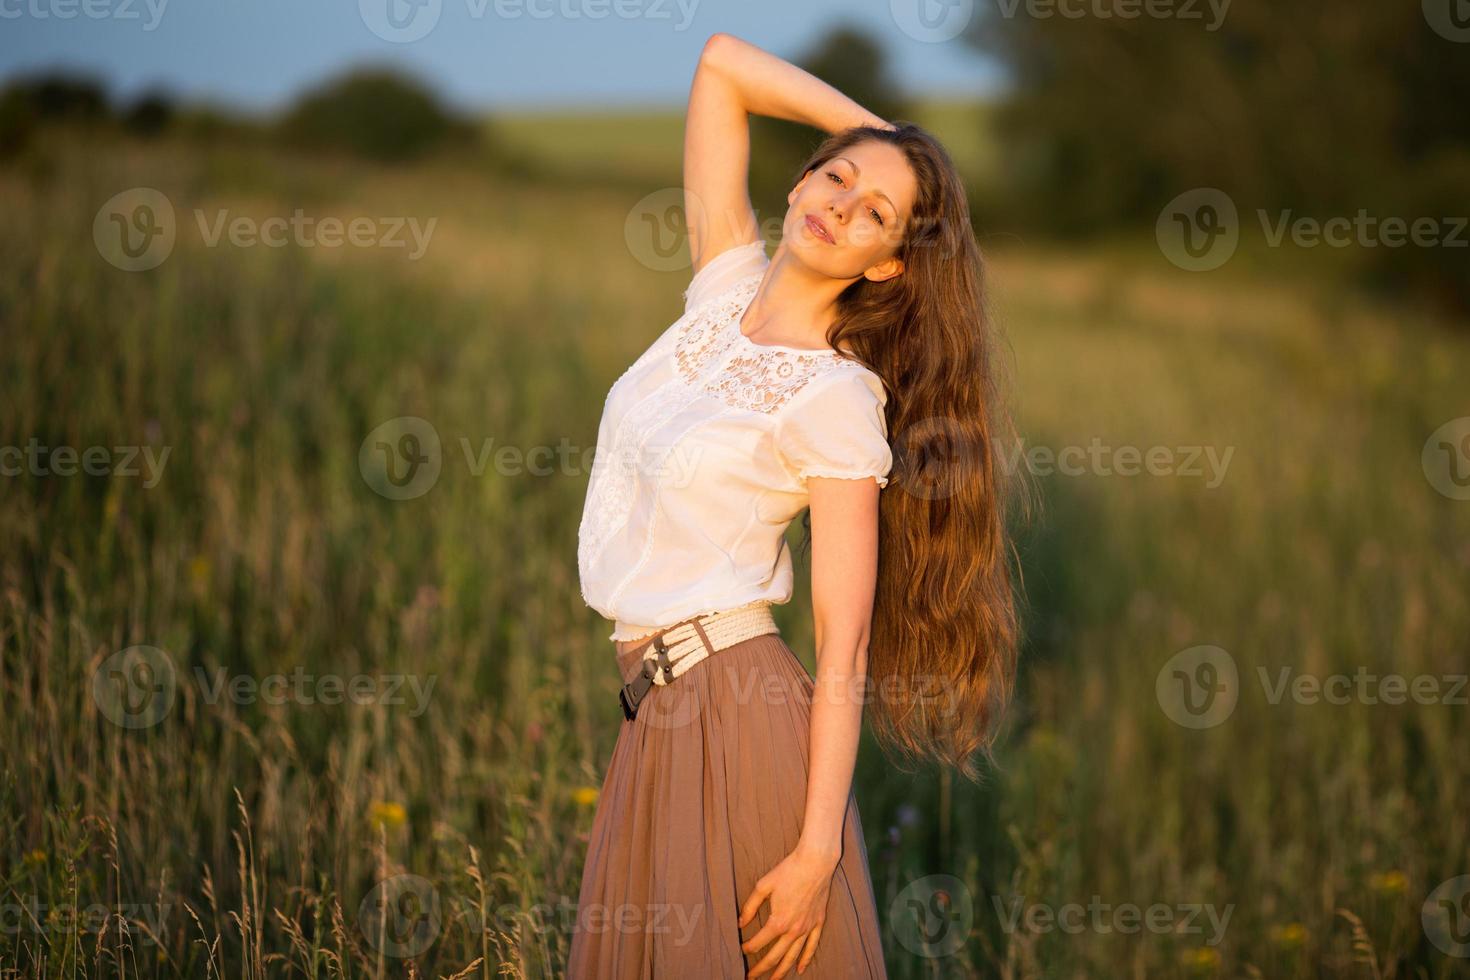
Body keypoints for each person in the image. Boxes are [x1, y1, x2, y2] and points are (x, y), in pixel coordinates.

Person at [569, 31, 1025, 979]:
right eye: (835, 179)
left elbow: (843, 643)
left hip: (739, 713)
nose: (839, 207)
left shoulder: (835, 397)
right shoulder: (721, 284)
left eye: (874, 215)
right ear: (800, 180)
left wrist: (819, 851)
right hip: (655, 712)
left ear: (889, 264)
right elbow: (721, 65)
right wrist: (887, 138)